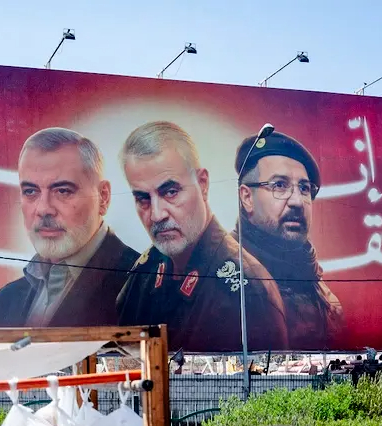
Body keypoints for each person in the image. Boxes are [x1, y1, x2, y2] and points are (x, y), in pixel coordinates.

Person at [115, 121, 287, 353]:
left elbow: (263, 381)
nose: (156, 215)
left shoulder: (248, 292)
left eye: (171, 192)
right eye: (143, 198)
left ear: (203, 184)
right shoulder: (144, 272)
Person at [0, 128, 137, 327]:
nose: (44, 209)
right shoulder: (5, 301)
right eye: (31, 191)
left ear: (103, 197)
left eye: (63, 191)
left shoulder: (142, 290)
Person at [234, 132, 343, 349]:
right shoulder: (225, 275)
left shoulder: (324, 296)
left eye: (304, 188)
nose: (297, 202)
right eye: (279, 185)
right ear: (247, 197)